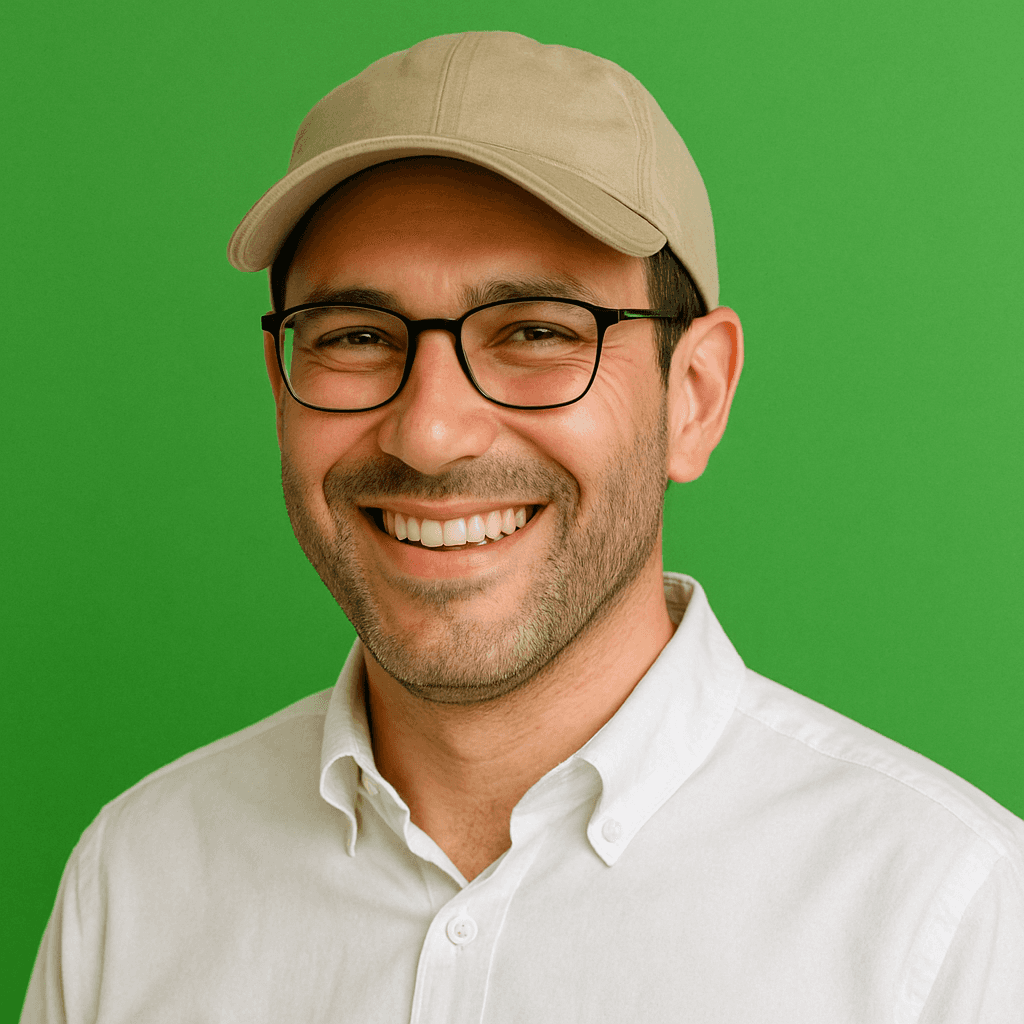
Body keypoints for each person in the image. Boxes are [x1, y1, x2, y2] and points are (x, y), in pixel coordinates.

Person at [21, 30, 1024, 1024]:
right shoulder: (136, 882)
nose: (429, 432)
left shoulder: (946, 922)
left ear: (696, 395)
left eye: (537, 331)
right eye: (355, 337)